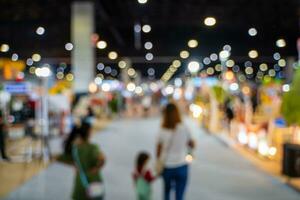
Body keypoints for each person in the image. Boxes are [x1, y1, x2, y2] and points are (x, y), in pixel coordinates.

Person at [156, 103, 195, 200]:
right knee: (179, 196)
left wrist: (158, 161)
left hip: (167, 166)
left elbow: (158, 150)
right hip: (182, 165)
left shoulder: (162, 130)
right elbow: (192, 144)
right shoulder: (184, 127)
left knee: (166, 192)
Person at [59, 120, 105, 200]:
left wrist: (75, 165)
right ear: (88, 132)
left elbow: (66, 159)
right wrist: (97, 168)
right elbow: (102, 159)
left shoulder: (75, 148)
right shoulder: (93, 147)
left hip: (80, 182)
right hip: (93, 182)